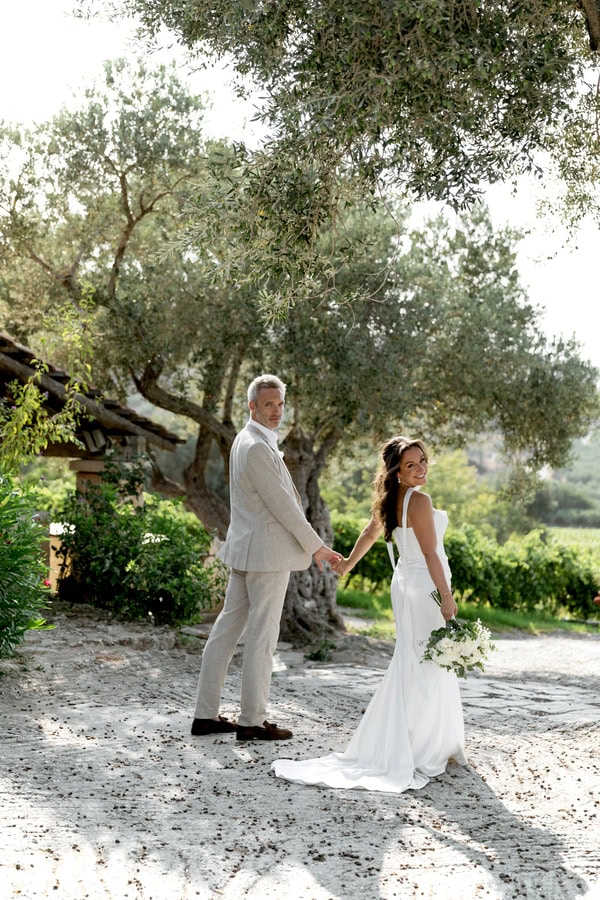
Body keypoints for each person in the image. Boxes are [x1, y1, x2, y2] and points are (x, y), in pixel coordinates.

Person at [272, 435, 467, 791]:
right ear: (397, 471)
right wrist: (447, 596)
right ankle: (422, 746)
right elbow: (430, 555)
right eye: (411, 464)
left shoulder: (391, 500)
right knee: (429, 661)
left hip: (405, 584)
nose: (421, 468)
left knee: (416, 659)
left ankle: (424, 741)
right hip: (425, 587)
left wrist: (347, 563)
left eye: (423, 460)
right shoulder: (419, 501)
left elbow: (370, 530)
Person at [191, 374, 342, 742]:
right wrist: (316, 546)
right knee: (261, 637)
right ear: (252, 406)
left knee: (226, 631)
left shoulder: (248, 440)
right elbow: (284, 507)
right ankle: (252, 721)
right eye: (268, 405)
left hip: (247, 550)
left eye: (280, 405)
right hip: (265, 555)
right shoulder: (256, 446)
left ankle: (205, 716)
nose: (276, 411)